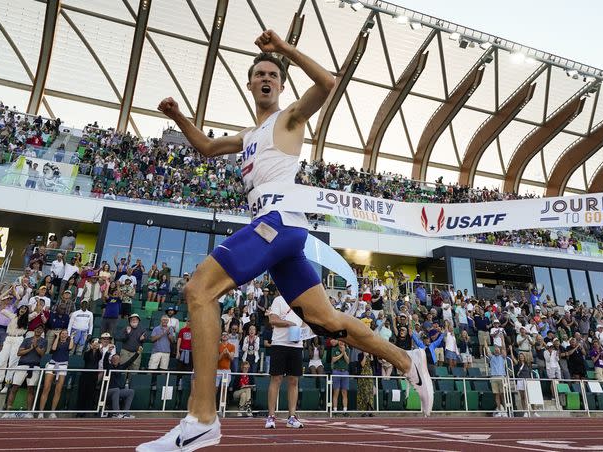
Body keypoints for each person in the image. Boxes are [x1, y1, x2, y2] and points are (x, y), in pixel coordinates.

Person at [138, 30, 432, 452]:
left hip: (280, 223)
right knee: (326, 321)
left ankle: (201, 418)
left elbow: (328, 84)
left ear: (279, 84)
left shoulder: (289, 118)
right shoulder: (246, 136)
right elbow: (204, 146)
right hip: (281, 238)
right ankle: (407, 360)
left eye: (272, 74)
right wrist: (178, 116)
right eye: (258, 73)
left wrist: (285, 50)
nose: (265, 77)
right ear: (250, 83)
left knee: (199, 290)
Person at [264, 293, 308, 428]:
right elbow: (273, 320)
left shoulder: (301, 303)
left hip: (296, 345)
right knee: (276, 379)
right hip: (279, 343)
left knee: (294, 380)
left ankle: (292, 417)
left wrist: (303, 331)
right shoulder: (279, 300)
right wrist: (290, 323)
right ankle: (271, 416)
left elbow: (306, 323)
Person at [2, 325, 46, 418]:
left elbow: (42, 354)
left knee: (31, 389)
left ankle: (29, 412)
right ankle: (7, 411)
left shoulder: (44, 341)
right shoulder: (26, 340)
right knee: (14, 387)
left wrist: (36, 346)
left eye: (40, 329)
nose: (38, 330)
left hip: (34, 367)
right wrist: (30, 348)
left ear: (42, 331)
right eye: (37, 328)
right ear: (34, 330)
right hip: (22, 364)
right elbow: (19, 352)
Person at [0, 304, 31, 394]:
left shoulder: (28, 318)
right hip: (8, 338)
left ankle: (7, 384)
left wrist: (37, 303)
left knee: (13, 362)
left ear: (27, 311)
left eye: (25, 309)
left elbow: (37, 312)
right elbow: (3, 310)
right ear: (19, 309)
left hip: (18, 339)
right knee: (2, 360)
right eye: (22, 308)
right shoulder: (13, 316)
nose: (23, 310)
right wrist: (5, 300)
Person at [38, 328, 73, 418]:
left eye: (66, 333)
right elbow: (53, 348)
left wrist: (72, 338)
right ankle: (41, 412)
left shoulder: (68, 342)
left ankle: (52, 412)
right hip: (52, 364)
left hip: (63, 365)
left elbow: (70, 348)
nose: (64, 335)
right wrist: (57, 337)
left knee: (58, 390)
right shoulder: (56, 341)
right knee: (46, 388)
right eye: (63, 333)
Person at [105, 346, 142, 418]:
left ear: (119, 360)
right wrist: (108, 352)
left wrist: (137, 353)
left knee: (131, 391)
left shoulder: (121, 367)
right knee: (116, 390)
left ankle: (126, 413)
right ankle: (116, 413)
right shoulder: (108, 366)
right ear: (111, 360)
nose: (115, 360)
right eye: (114, 359)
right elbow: (105, 361)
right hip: (108, 391)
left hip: (117, 391)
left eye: (117, 359)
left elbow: (130, 361)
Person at [331, 340, 350, 416]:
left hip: (345, 371)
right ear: (338, 342)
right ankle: (334, 410)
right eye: (340, 341)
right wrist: (342, 353)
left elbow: (348, 361)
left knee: (344, 392)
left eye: (343, 341)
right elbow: (333, 359)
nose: (341, 342)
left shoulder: (347, 350)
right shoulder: (334, 349)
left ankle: (345, 410)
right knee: (336, 392)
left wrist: (344, 352)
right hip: (336, 371)